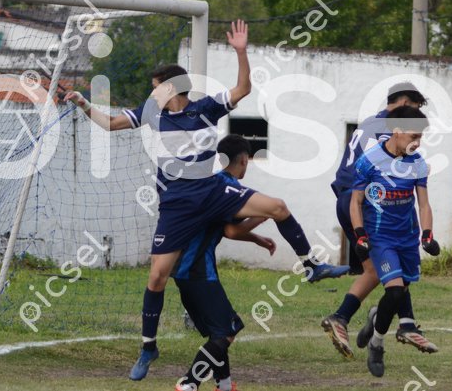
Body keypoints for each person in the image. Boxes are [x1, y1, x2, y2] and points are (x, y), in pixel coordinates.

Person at [64, 21, 347, 381]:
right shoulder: (152, 113)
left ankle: (311, 265)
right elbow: (109, 123)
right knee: (156, 277)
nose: (152, 93)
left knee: (277, 207)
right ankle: (148, 347)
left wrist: (241, 51)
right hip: (177, 204)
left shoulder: (205, 109)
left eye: (156, 87)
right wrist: (83, 103)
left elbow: (243, 88)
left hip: (212, 191)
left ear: (172, 88)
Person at [322, 83, 437, 359]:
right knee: (391, 253)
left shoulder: (369, 122)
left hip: (347, 195)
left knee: (374, 271)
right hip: (365, 200)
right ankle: (404, 323)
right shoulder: (390, 130)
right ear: (403, 104)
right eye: (413, 110)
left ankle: (348, 317)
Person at [174, 135, 277, 391]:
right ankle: (189, 383)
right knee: (227, 331)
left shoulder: (212, 183)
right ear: (244, 160)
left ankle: (225, 384)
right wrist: (264, 214)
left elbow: (225, 228)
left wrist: (257, 239)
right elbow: (232, 230)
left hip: (183, 268)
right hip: (198, 269)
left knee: (221, 329)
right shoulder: (228, 187)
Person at [347, 106, 440, 377]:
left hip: (407, 238)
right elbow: (356, 201)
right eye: (413, 135)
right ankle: (377, 344)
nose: (417, 142)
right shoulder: (369, 160)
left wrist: (427, 234)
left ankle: (376, 316)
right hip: (380, 238)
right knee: (396, 292)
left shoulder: (418, 163)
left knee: (397, 293)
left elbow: (424, 204)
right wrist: (360, 234)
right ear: (396, 131)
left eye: (421, 137)